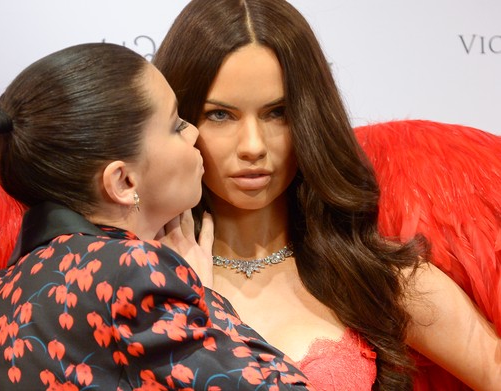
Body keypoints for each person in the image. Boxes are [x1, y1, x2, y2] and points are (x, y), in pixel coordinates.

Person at [0, 43, 314, 390]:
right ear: (123, 181)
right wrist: (205, 299)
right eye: (176, 125)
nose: (194, 134)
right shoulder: (133, 274)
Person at [153, 1, 501, 390]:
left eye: (278, 112)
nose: (252, 146)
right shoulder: (138, 276)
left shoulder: (370, 276)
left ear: (310, 118)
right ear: (177, 120)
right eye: (220, 115)